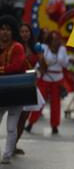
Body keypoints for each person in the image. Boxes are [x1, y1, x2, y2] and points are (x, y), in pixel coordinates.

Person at [26, 31, 70, 134]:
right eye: (53, 39)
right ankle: (31, 123)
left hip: (57, 79)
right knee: (39, 101)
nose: (55, 42)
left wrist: (60, 54)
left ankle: (55, 126)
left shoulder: (62, 49)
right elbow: (40, 61)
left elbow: (65, 64)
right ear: (50, 40)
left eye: (57, 39)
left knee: (56, 104)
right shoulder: (44, 47)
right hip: (46, 77)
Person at [15, 23, 47, 155]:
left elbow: (43, 69)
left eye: (26, 31)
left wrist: (40, 56)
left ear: (30, 33)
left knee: (23, 118)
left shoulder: (36, 48)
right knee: (14, 117)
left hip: (29, 86)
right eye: (22, 31)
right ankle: (10, 145)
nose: (24, 34)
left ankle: (14, 144)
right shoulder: (15, 47)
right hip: (16, 85)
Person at [0, 15, 26, 164]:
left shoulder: (17, 47)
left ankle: (7, 155)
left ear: (12, 32)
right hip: (1, 91)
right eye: (2, 29)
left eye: (8, 29)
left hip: (16, 92)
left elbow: (15, 67)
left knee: (11, 126)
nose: (4, 32)